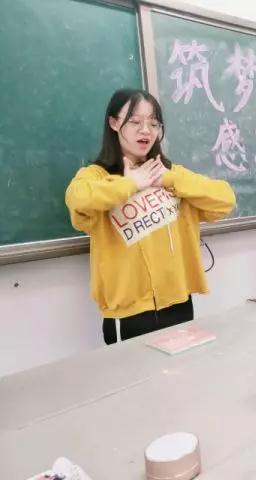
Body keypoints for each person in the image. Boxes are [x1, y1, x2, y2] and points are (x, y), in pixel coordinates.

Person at [65, 89, 236, 344]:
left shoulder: (169, 174)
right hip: (129, 312)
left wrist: (169, 179)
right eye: (135, 121)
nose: (146, 130)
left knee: (180, 368)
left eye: (153, 123)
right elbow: (78, 199)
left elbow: (225, 199)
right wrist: (130, 183)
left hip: (178, 301)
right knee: (134, 371)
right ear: (114, 123)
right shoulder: (97, 176)